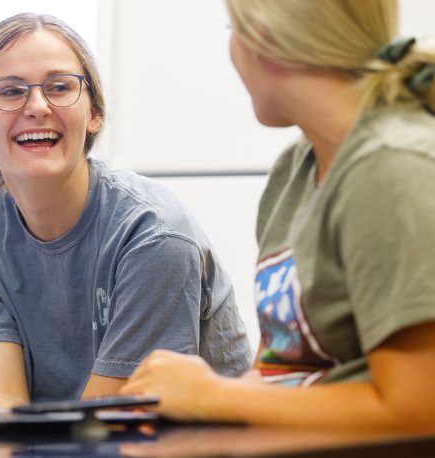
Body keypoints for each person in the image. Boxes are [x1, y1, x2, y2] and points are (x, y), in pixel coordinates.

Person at [122, 0, 435, 432]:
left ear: (265, 37)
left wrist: (214, 395)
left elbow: (418, 410)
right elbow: (279, 364)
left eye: (234, 26)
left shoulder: (393, 168)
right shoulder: (296, 169)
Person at [0, 13, 252, 407]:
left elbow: (105, 423)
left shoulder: (153, 232)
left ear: (94, 114)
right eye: (10, 91)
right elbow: (3, 410)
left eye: (60, 86)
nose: (37, 106)